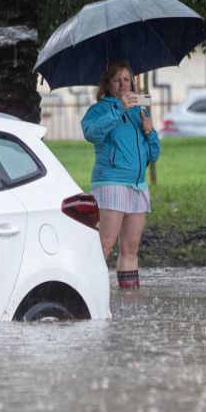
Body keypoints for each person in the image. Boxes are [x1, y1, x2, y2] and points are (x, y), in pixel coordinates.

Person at [82, 60, 160, 290]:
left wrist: (150, 131)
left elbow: (153, 155)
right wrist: (118, 109)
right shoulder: (99, 110)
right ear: (108, 84)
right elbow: (91, 133)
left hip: (137, 186)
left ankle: (130, 302)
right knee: (105, 244)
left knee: (130, 247)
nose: (123, 84)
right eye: (117, 80)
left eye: (127, 79)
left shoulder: (139, 111)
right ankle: (87, 291)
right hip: (111, 183)